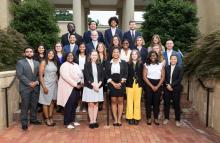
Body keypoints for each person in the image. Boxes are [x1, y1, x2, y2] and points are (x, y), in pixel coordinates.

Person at [16, 47, 41, 131]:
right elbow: (20, 75)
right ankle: (24, 123)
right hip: (25, 88)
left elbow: (40, 75)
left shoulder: (37, 63)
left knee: (34, 105)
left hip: (35, 88)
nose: (29, 53)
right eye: (27, 52)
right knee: (25, 106)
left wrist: (37, 82)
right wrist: (30, 83)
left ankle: (33, 119)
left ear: (33, 53)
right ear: (24, 53)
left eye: (31, 52)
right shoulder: (20, 62)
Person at [57, 52, 84, 129]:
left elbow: (81, 75)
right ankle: (67, 122)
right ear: (66, 57)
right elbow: (66, 77)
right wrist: (76, 84)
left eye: (71, 56)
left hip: (77, 87)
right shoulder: (64, 65)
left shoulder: (76, 65)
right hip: (69, 87)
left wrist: (81, 83)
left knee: (74, 104)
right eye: (68, 56)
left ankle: (72, 120)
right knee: (69, 104)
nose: (70, 57)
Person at [105, 47, 128, 126]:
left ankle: (119, 119)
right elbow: (107, 75)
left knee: (121, 101)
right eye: (114, 52)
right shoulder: (108, 63)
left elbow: (125, 74)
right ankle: (115, 119)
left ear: (119, 53)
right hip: (111, 83)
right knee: (114, 101)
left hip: (121, 83)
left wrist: (120, 83)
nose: (116, 53)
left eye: (117, 52)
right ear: (112, 54)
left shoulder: (124, 62)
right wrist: (114, 84)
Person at [82, 50, 104, 129]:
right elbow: (87, 76)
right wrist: (93, 85)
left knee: (96, 104)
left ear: (97, 56)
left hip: (98, 87)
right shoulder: (86, 65)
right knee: (90, 104)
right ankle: (91, 121)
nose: (94, 56)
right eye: (93, 55)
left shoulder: (100, 65)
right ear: (90, 56)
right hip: (90, 87)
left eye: (96, 55)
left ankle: (95, 121)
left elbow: (102, 76)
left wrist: (98, 85)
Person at [143, 51, 165, 125]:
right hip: (148, 84)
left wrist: (157, 86)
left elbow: (163, 77)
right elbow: (144, 77)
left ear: (156, 56)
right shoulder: (146, 65)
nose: (153, 57)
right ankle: (149, 118)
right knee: (148, 102)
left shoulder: (160, 65)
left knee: (156, 102)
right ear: (149, 57)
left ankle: (155, 118)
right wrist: (152, 86)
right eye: (151, 56)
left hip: (158, 84)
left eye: (154, 55)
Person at [163, 54, 183, 127]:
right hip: (166, 88)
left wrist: (171, 85)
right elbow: (163, 78)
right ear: (170, 60)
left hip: (176, 88)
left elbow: (179, 79)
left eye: (174, 59)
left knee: (176, 104)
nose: (173, 60)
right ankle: (166, 118)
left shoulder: (179, 68)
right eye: (172, 59)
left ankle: (177, 120)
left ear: (177, 60)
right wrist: (167, 85)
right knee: (166, 104)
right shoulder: (166, 68)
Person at [39, 50, 58, 126]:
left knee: (52, 102)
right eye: (49, 53)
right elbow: (40, 76)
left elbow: (55, 74)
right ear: (47, 54)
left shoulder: (54, 62)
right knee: (45, 102)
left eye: (52, 53)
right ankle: (47, 119)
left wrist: (58, 83)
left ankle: (50, 117)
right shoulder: (44, 62)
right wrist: (44, 87)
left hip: (54, 84)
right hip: (46, 84)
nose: (51, 54)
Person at [126, 50, 143, 125]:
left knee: (137, 102)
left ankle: (136, 117)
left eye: (135, 54)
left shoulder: (141, 64)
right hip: (129, 84)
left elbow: (143, 75)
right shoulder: (127, 64)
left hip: (138, 84)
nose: (134, 55)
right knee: (129, 101)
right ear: (131, 56)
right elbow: (125, 74)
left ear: (138, 55)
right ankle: (130, 117)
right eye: (132, 54)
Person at [76, 43, 87, 112]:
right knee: (78, 91)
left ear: (85, 48)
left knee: (84, 91)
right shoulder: (76, 56)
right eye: (80, 47)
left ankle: (84, 107)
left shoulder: (87, 56)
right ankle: (77, 106)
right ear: (79, 48)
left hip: (85, 75)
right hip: (77, 75)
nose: (82, 48)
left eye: (83, 47)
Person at [96, 42, 108, 111]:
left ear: (103, 48)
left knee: (105, 90)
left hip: (105, 76)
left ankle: (104, 104)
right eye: (99, 47)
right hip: (97, 76)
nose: (100, 48)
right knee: (98, 89)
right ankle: (98, 104)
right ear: (97, 48)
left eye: (101, 47)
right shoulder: (95, 55)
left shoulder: (107, 56)